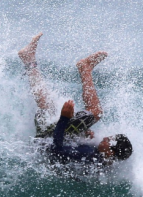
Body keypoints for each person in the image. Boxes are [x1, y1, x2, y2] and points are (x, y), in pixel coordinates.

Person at [18, 32, 132, 168]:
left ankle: (85, 68)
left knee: (95, 112)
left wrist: (64, 119)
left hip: (45, 142)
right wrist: (81, 138)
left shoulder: (89, 155)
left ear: (109, 152)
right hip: (43, 147)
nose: (106, 138)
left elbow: (57, 149)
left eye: (109, 141)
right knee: (48, 107)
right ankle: (29, 60)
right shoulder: (100, 161)